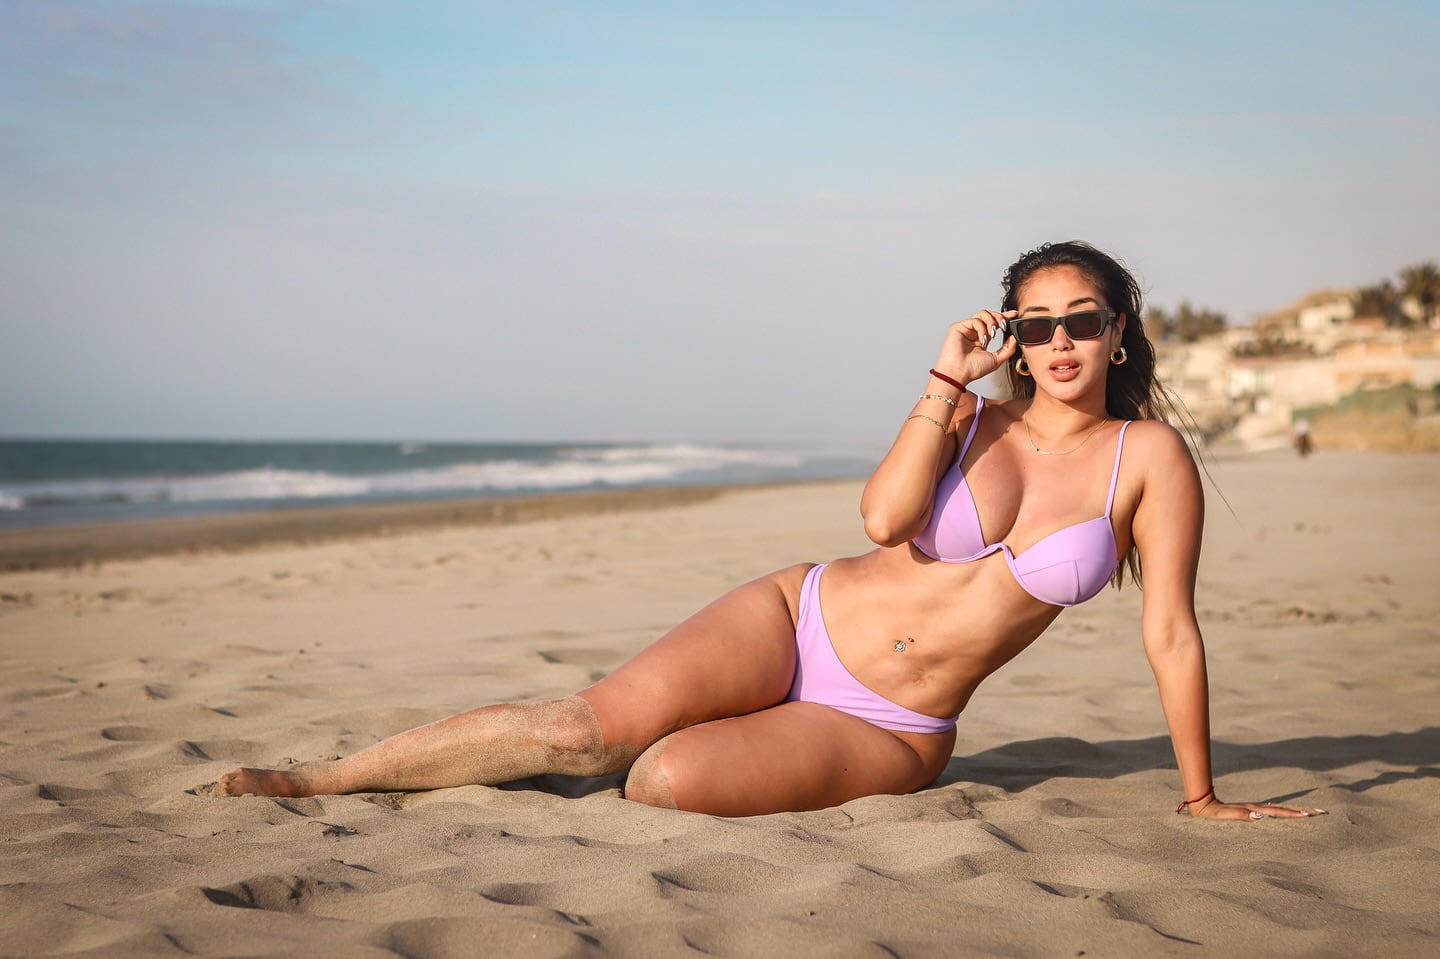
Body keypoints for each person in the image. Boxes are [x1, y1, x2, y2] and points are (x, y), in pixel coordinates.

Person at [218, 241, 1324, 823]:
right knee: (577, 731)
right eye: (1037, 325)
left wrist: (1200, 791)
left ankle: (648, 752)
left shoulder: (1149, 460)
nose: (1062, 340)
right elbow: (885, 518)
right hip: (797, 612)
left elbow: (1171, 634)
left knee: (660, 779)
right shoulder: (973, 415)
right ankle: (322, 781)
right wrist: (945, 376)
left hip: (892, 723)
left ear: (1119, 329)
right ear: (1014, 340)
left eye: (1084, 319)